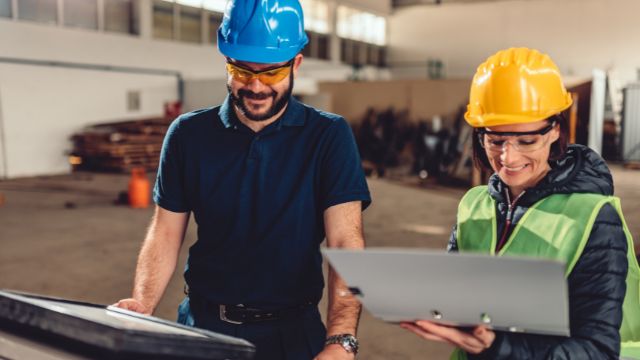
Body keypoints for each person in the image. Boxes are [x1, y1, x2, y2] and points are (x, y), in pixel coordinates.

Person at [114, 1, 371, 359]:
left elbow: (345, 241)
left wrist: (341, 339)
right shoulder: (188, 135)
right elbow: (165, 232)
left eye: (270, 73)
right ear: (226, 60)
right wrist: (142, 304)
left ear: (296, 62)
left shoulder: (328, 136)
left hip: (292, 334)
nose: (255, 85)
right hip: (202, 327)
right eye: (241, 70)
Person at [400, 47, 640, 359]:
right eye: (495, 141)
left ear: (555, 130)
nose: (507, 158)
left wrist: (496, 345)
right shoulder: (474, 204)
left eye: (527, 141)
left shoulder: (592, 218)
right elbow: (458, 301)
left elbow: (596, 349)